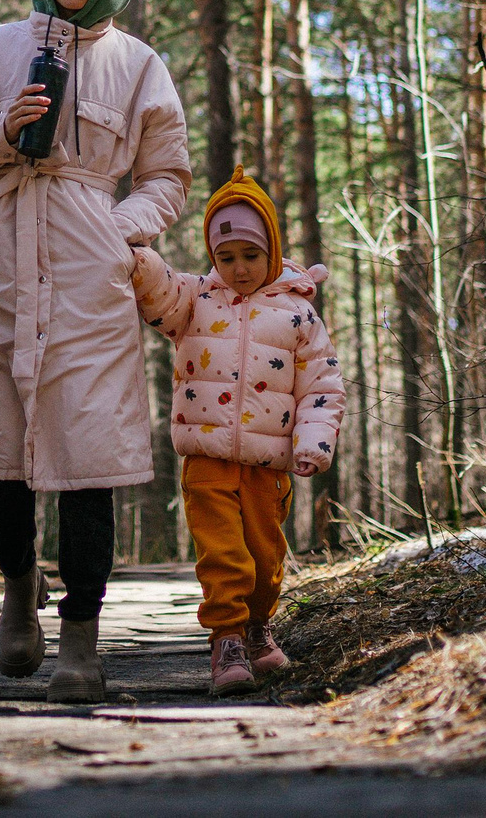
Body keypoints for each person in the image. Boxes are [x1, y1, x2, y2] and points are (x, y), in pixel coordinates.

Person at [0, 0, 190, 703]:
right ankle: (16, 586)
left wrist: (120, 231)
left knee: (88, 453)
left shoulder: (140, 63)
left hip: (88, 268)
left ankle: (81, 633)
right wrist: (3, 129)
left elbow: (167, 175)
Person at [129, 169, 343, 696]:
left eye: (250, 255)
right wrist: (136, 259)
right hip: (206, 455)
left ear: (271, 248)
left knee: (265, 557)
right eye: (226, 257)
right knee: (223, 552)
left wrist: (313, 442)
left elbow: (322, 386)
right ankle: (225, 639)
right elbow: (159, 292)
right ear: (212, 256)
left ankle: (256, 628)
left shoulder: (298, 313)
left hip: (268, 463)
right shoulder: (198, 298)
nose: (239, 268)